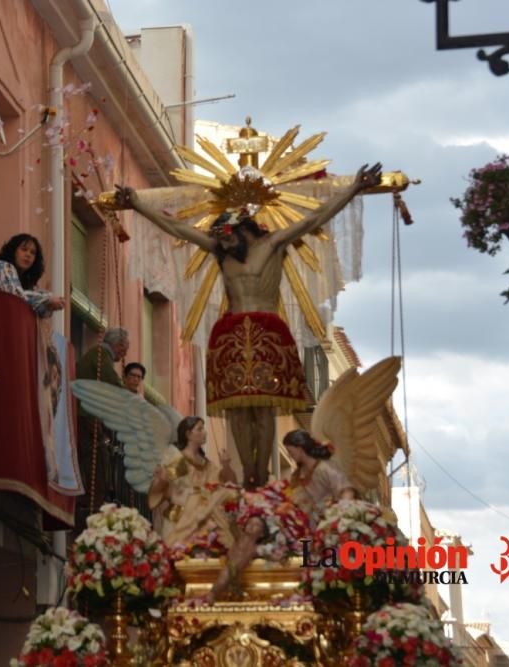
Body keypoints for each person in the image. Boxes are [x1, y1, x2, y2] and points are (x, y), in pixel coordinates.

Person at [116, 163, 382, 488]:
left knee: (263, 408)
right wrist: (138, 205)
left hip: (268, 331)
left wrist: (354, 188)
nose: (222, 245)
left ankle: (261, 470)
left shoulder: (273, 244)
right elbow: (177, 229)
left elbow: (315, 218)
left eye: (226, 239)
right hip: (231, 334)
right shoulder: (220, 250)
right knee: (238, 411)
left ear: (241, 230)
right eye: (219, 241)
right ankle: (249, 475)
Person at [206, 429, 357, 602]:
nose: (291, 456)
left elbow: (346, 492)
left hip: (310, 528)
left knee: (256, 529)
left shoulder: (325, 468)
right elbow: (287, 497)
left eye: (291, 452)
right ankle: (218, 587)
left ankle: (227, 579)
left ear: (301, 448)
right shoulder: (296, 476)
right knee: (253, 525)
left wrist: (337, 523)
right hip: (285, 520)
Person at [147, 417, 239, 553]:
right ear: (188, 434)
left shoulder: (206, 464)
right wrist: (161, 480)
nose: (205, 432)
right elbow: (164, 486)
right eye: (199, 429)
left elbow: (228, 484)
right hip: (179, 518)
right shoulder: (178, 459)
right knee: (177, 556)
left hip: (203, 518)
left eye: (204, 428)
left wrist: (226, 465)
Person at [75, 328, 131, 518]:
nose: (124, 354)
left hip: (87, 414)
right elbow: (112, 382)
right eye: (124, 349)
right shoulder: (100, 354)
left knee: (97, 457)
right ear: (118, 345)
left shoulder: (97, 354)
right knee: (97, 458)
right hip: (87, 415)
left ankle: (93, 499)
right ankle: (93, 502)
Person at [0, 234, 65, 317]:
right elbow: (17, 298)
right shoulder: (2, 266)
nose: (28, 255)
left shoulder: (23, 281)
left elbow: (37, 310)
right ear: (13, 251)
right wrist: (48, 299)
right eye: (24, 249)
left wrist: (49, 305)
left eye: (32, 253)